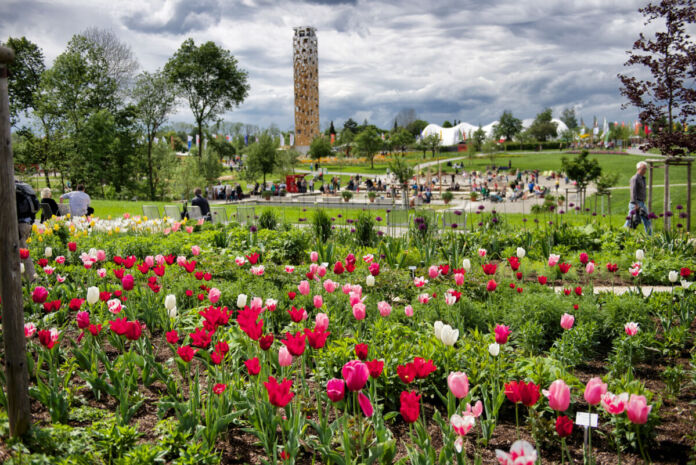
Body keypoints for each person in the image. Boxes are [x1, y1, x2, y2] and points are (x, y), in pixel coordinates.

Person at [16, 179, 39, 280]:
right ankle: (22, 278)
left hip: (18, 225)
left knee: (22, 254)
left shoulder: (12, 190)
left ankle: (32, 279)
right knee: (19, 253)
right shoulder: (25, 189)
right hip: (28, 223)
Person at [624, 161, 652, 235]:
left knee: (647, 220)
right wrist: (636, 204)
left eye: (646, 169)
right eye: (643, 168)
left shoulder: (642, 178)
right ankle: (622, 234)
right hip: (636, 204)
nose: (645, 170)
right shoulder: (635, 178)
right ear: (638, 168)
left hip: (642, 203)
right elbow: (633, 192)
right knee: (629, 221)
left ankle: (650, 238)